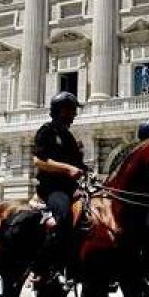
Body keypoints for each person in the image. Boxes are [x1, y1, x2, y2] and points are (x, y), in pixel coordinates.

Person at [31, 92, 86, 277]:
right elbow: (39, 161)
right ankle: (45, 267)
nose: (74, 115)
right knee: (60, 216)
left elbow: (79, 165)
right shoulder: (46, 131)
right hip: (53, 188)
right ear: (61, 111)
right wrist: (67, 169)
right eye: (71, 110)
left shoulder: (69, 137)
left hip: (72, 188)